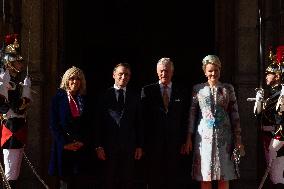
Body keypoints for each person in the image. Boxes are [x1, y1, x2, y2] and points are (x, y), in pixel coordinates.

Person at [185, 55, 245, 189]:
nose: (213, 73)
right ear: (205, 71)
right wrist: (189, 137)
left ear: (220, 70)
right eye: (210, 70)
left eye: (216, 70)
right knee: (205, 177)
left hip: (224, 138)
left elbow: (235, 115)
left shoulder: (227, 88)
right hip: (203, 139)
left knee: (223, 176)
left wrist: (238, 140)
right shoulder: (198, 89)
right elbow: (192, 114)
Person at [141, 57, 190, 189]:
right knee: (152, 178)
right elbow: (142, 119)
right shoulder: (147, 90)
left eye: (167, 71)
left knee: (172, 178)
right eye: (162, 71)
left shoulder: (182, 91)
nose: (164, 74)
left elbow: (185, 118)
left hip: (174, 143)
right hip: (153, 143)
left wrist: (186, 141)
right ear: (157, 72)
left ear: (172, 72)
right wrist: (141, 143)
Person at [94, 63, 143, 189]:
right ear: (114, 75)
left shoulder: (135, 97)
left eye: (126, 74)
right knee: (107, 181)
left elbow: (139, 123)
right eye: (120, 74)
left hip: (129, 147)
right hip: (108, 147)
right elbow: (98, 123)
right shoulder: (104, 96)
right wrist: (98, 145)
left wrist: (139, 146)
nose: (123, 77)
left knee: (127, 181)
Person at [48, 66, 92, 189]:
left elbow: (88, 124)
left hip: (80, 147)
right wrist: (64, 144)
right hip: (63, 147)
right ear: (66, 80)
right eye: (72, 78)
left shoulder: (84, 100)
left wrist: (82, 141)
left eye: (78, 79)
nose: (75, 81)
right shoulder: (57, 99)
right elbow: (54, 124)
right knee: (64, 183)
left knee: (79, 181)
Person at [0, 34, 32, 189]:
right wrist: (26, 92)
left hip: (18, 127)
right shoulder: (5, 81)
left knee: (15, 172)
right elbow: (17, 106)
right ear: (9, 62)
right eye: (17, 61)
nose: (20, 64)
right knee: (10, 174)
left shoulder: (13, 82)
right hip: (11, 128)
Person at [254, 45, 284, 188]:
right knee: (272, 175)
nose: (266, 76)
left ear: (277, 76)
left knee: (278, 175)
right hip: (267, 135)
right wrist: (259, 101)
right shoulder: (271, 95)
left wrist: (278, 139)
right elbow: (259, 114)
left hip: (277, 137)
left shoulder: (282, 94)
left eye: (269, 73)